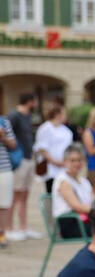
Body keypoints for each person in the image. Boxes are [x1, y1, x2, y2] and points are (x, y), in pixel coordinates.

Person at [9, 93, 39, 241]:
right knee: (14, 195)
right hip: (18, 159)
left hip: (29, 158)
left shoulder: (27, 116)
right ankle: (8, 228)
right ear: (30, 101)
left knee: (24, 194)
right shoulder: (14, 116)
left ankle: (24, 227)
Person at [51, 145, 93, 239]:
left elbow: (93, 201)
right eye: (72, 160)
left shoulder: (84, 182)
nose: (76, 163)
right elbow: (76, 206)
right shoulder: (63, 179)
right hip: (70, 222)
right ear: (65, 161)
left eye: (79, 160)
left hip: (84, 219)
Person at [35, 102, 73, 195]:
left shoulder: (65, 130)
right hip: (51, 168)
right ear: (57, 114)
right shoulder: (45, 128)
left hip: (64, 167)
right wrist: (55, 162)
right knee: (51, 193)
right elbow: (42, 148)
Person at [0, 113, 16, 248]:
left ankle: (2, 233)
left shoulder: (4, 122)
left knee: (4, 204)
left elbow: (13, 144)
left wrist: (3, 136)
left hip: (4, 168)